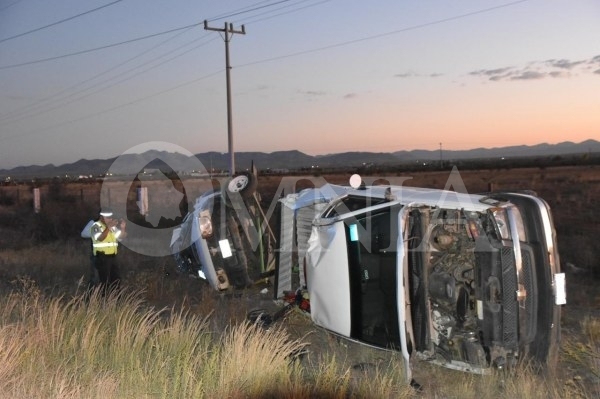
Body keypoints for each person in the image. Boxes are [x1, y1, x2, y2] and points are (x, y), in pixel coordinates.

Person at [90, 208, 127, 293]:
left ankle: (116, 300)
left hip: (113, 258)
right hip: (102, 257)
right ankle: (104, 301)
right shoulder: (96, 226)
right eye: (108, 218)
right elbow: (100, 238)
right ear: (102, 217)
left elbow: (121, 237)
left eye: (111, 218)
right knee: (104, 281)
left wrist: (123, 228)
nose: (110, 219)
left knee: (116, 280)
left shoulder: (112, 227)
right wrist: (108, 227)